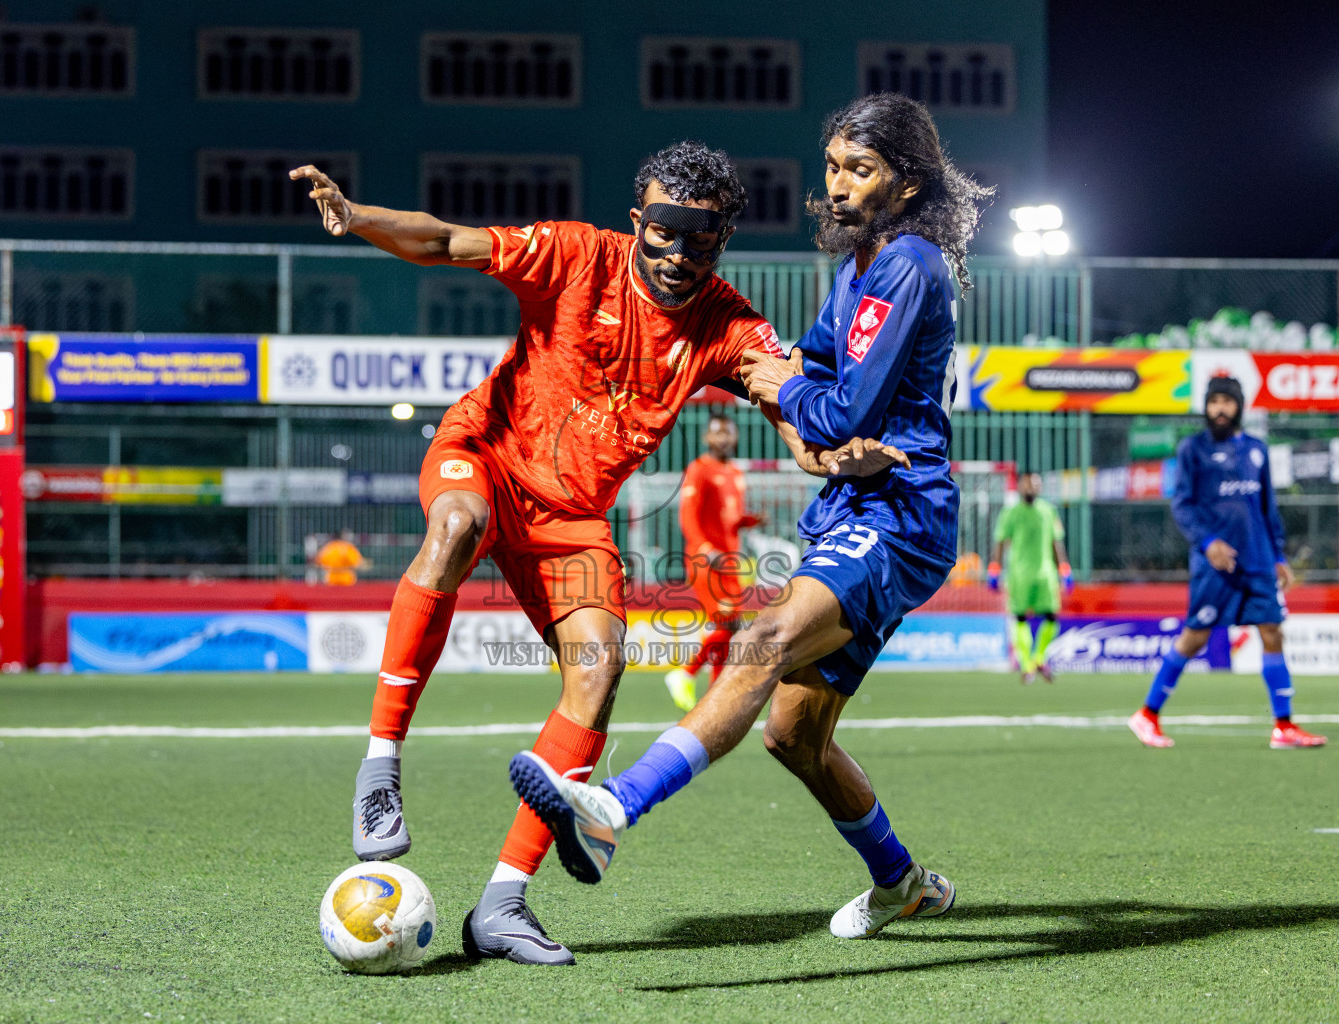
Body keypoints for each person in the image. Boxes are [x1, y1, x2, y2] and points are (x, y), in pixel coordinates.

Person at [290, 143, 864, 966]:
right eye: (663, 231)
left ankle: (501, 905)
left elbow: (794, 409)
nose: (677, 253)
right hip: (484, 455)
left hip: (572, 520)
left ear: (722, 240)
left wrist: (833, 455)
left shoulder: (728, 324)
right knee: (451, 530)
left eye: (700, 241)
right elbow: (445, 241)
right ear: (638, 220)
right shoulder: (573, 256)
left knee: (599, 671)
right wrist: (357, 218)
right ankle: (380, 767)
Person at [508, 93, 995, 943]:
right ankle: (903, 882)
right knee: (793, 738)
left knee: (762, 642)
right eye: (835, 166)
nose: (838, 186)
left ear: (909, 184)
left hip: (900, 512)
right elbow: (802, 361)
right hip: (854, 506)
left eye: (861, 170)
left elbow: (838, 409)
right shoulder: (860, 267)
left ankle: (613, 806)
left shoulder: (908, 263)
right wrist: (759, 371)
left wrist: (780, 386)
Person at [1128, 376, 1326, 750]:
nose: (1220, 409)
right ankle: (1147, 715)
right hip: (1215, 566)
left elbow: (1267, 507)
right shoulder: (1192, 450)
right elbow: (1182, 505)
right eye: (1214, 401)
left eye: (1227, 402)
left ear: (1239, 406)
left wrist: (1279, 554)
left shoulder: (1256, 450)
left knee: (1272, 632)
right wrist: (1207, 543)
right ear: (1206, 406)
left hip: (1259, 561)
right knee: (1195, 637)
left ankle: (1283, 726)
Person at [664, 413, 760, 711]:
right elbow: (688, 516)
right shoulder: (699, 470)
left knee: (729, 629)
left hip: (729, 561)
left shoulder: (736, 473)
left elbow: (729, 519)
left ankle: (714, 697)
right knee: (727, 622)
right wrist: (705, 548)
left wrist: (750, 520)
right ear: (707, 438)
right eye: (718, 433)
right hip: (707, 559)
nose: (724, 438)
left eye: (729, 433)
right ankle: (684, 674)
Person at [988, 473, 1072, 683]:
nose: (1031, 488)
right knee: (1020, 617)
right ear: (1019, 486)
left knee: (1052, 616)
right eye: (1028, 484)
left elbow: (1056, 541)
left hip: (1045, 573)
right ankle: (1026, 664)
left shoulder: (1048, 510)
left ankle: (1039, 658)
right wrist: (994, 567)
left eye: (1035, 484)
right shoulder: (1011, 512)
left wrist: (1064, 568)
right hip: (1019, 574)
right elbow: (1000, 541)